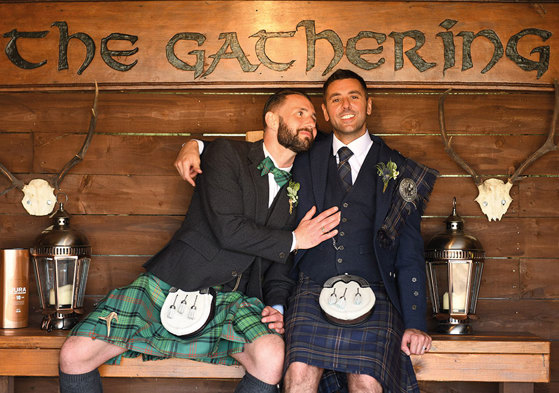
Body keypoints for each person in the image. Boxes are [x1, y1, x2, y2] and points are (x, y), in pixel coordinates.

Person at [58, 89, 342, 393]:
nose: (310, 122)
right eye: (300, 113)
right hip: (176, 281)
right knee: (75, 353)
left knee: (272, 356)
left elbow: (282, 260)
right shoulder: (225, 154)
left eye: (313, 117)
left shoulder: (303, 183)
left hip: (237, 296)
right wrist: (295, 238)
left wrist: (277, 305)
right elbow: (228, 229)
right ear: (271, 119)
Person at [176, 70, 439, 393]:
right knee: (298, 375)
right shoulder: (302, 152)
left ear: (368, 105)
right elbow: (255, 152)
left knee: (367, 382)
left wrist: (414, 323)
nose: (346, 105)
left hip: (375, 294)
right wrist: (197, 145)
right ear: (326, 112)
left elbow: (409, 251)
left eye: (354, 97)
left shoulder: (398, 168)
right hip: (310, 289)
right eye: (335, 99)